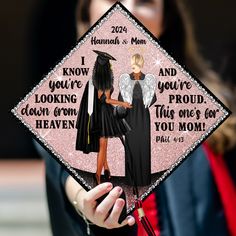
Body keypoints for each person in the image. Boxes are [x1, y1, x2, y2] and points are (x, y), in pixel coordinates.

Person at [32, 0, 236, 235]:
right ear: (87, 12)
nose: (128, 11)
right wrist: (86, 202)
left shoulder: (207, 105)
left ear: (165, 19)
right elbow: (65, 171)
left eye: (145, 1)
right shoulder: (64, 103)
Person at [75, 50, 132, 185]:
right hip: (104, 115)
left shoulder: (94, 79)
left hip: (97, 114)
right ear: (106, 67)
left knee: (102, 145)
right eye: (110, 65)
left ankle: (106, 168)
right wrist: (122, 103)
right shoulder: (106, 80)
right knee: (103, 146)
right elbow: (106, 100)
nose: (111, 67)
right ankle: (97, 175)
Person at [119, 53, 157, 186]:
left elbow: (153, 98)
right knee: (131, 146)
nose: (133, 67)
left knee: (143, 145)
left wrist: (144, 100)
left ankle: (144, 178)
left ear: (141, 65)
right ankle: (131, 179)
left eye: (136, 65)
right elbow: (120, 97)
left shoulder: (147, 79)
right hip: (129, 116)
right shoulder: (125, 79)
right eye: (132, 64)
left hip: (143, 116)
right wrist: (124, 105)